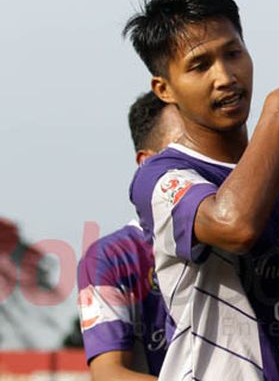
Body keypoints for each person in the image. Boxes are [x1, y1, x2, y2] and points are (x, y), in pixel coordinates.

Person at [123, 0, 279, 380]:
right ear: (164, 88)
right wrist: (276, 107)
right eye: (200, 65)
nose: (226, 76)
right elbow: (235, 225)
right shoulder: (160, 179)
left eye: (233, 53)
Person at [78, 91, 184, 380]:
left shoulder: (245, 237)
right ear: (146, 164)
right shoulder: (111, 257)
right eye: (184, 150)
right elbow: (108, 373)